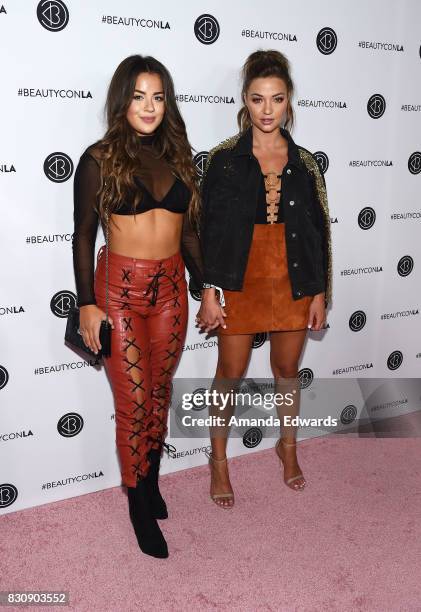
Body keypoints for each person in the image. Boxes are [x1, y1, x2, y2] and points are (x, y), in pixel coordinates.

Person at [72, 55, 202, 557]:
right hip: (118, 293)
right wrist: (87, 303)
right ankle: (137, 503)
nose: (148, 106)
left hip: (170, 288)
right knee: (133, 402)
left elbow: (188, 233)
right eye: (138, 95)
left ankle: (149, 480)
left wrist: (205, 285)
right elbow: (83, 235)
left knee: (160, 393)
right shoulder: (99, 158)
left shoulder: (179, 154)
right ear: (122, 99)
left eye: (158, 96)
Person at [196, 50, 332, 508]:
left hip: (293, 279)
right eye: (258, 99)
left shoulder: (306, 162)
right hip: (239, 279)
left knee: (287, 371)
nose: (267, 109)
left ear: (289, 100)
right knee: (230, 373)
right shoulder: (222, 160)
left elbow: (319, 230)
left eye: (276, 99)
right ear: (245, 101)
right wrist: (209, 291)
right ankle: (218, 460)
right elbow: (206, 231)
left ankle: (287, 449)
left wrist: (320, 292)